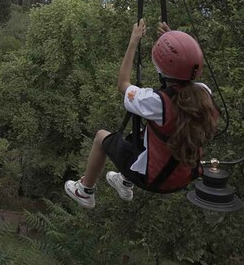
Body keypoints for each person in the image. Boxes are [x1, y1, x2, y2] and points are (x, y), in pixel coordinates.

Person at [64, 19, 218, 208]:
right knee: (145, 135)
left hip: (154, 178)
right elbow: (182, 75)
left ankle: (84, 191)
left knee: (101, 137)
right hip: (184, 176)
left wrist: (133, 41)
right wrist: (173, 40)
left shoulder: (156, 102)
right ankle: (124, 182)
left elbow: (123, 84)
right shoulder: (204, 94)